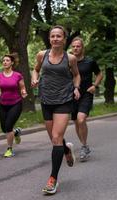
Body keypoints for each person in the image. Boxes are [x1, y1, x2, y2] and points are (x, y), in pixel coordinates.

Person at [31, 25, 81, 195]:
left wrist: (76, 87)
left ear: (64, 39)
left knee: (56, 137)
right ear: (50, 38)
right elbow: (36, 70)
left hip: (64, 99)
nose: (55, 39)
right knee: (54, 138)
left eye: (59, 36)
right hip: (46, 99)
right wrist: (35, 79)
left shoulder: (70, 58)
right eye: (53, 36)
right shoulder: (41, 55)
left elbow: (76, 75)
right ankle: (66, 149)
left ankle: (53, 179)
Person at [70, 37, 103, 162]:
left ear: (82, 47)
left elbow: (99, 73)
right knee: (76, 122)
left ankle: (83, 146)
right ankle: (85, 145)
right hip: (71, 95)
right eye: (73, 46)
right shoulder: (68, 62)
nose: (75, 48)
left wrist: (95, 85)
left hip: (86, 94)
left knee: (81, 119)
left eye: (78, 46)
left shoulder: (90, 61)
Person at [0, 53, 27, 158]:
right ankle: (16, 132)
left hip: (15, 103)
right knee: (4, 128)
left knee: (8, 126)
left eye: (7, 60)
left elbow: (22, 87)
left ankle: (9, 149)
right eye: (4, 61)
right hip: (3, 104)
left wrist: (24, 92)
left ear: (12, 63)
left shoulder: (17, 75)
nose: (5, 62)